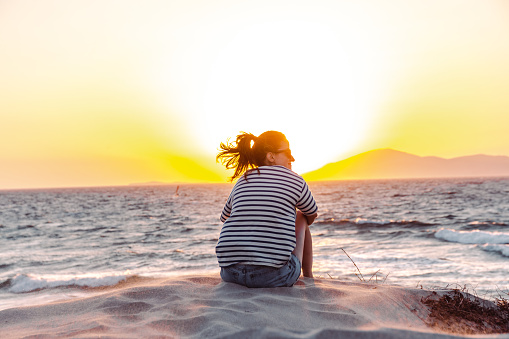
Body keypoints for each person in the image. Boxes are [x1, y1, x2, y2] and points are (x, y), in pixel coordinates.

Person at [215, 130, 318, 288]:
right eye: (288, 152)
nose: (293, 158)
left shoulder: (243, 180)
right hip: (273, 276)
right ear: (271, 156)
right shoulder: (295, 180)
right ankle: (309, 276)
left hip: (230, 274)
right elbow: (311, 214)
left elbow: (226, 216)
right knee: (301, 216)